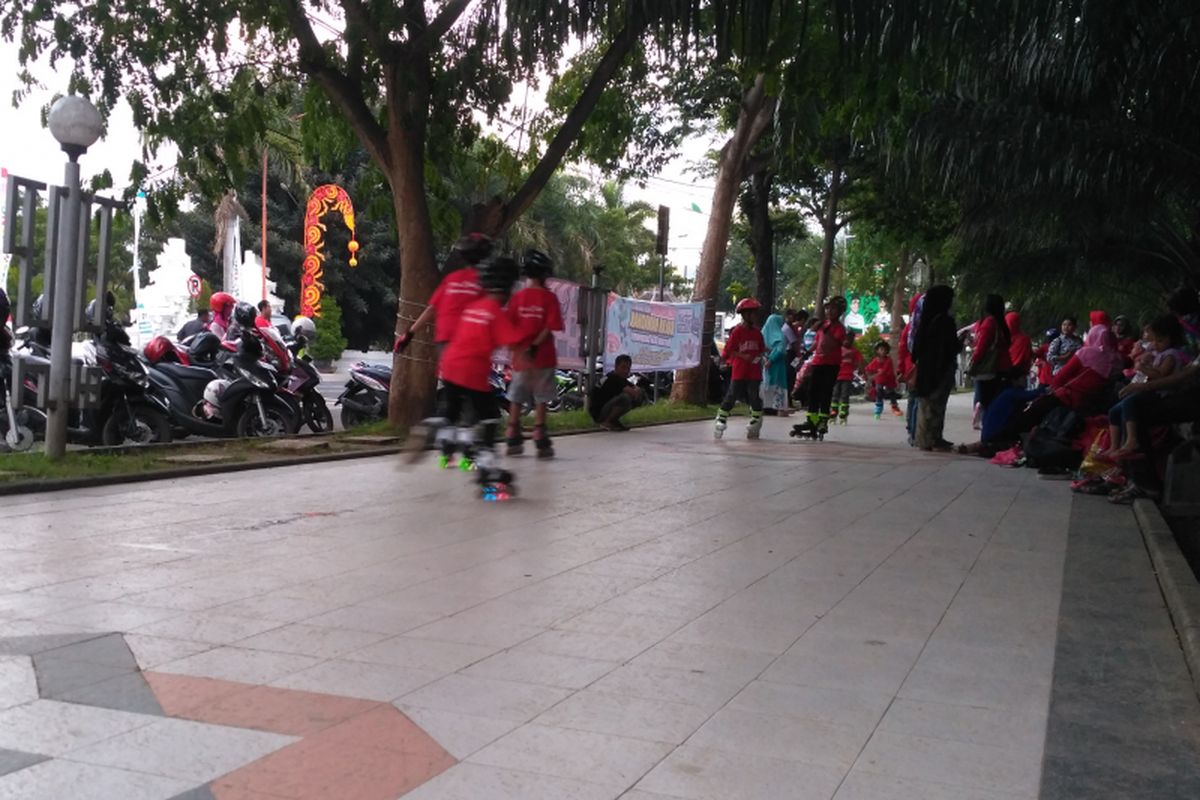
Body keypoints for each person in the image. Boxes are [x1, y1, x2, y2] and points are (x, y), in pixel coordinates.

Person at [417, 255, 524, 492]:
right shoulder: (496, 312)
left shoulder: (473, 307)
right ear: (508, 288)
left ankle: (435, 424)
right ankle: (487, 472)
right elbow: (515, 342)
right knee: (490, 418)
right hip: (472, 371)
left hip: (450, 365)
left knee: (451, 412)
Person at [1101, 315, 1188, 459]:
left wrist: (1144, 368)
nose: (1155, 344)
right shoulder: (1158, 353)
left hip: (1160, 393)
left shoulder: (1171, 355)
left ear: (1170, 339)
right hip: (1149, 389)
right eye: (1153, 340)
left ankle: (1132, 440)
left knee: (1130, 404)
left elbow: (1161, 375)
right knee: (1114, 411)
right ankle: (1114, 446)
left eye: (1159, 340)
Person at [505, 249, 564, 457]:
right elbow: (551, 325)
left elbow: (508, 326)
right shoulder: (549, 299)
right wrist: (536, 345)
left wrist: (517, 348)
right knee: (541, 398)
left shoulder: (517, 298)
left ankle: (512, 433)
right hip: (543, 356)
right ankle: (540, 435)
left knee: (517, 396)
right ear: (543, 274)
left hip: (521, 357)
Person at [394, 233, 491, 355]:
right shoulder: (484, 283)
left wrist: (409, 334)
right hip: (470, 340)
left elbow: (432, 309)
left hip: (445, 339)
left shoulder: (452, 279)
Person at [911, 285, 959, 451]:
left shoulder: (924, 321)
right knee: (936, 405)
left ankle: (926, 439)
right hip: (940, 369)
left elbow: (915, 349)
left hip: (926, 369)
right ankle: (931, 439)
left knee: (927, 405)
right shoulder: (945, 322)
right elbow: (952, 347)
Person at [794, 296, 847, 437]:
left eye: (833, 308)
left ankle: (823, 420)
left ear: (840, 311)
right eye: (827, 308)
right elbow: (817, 343)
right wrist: (805, 354)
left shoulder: (839, 328)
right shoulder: (823, 325)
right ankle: (811, 420)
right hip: (818, 363)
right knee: (813, 392)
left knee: (825, 393)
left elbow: (837, 342)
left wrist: (827, 331)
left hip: (831, 365)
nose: (829, 311)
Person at [714, 297, 766, 439]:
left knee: (754, 397)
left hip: (754, 372)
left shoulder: (757, 332)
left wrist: (763, 356)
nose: (755, 316)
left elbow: (762, 349)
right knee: (732, 395)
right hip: (739, 370)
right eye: (753, 313)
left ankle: (756, 421)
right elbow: (729, 349)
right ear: (745, 315)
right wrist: (741, 357)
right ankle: (721, 419)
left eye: (756, 313)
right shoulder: (737, 332)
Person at [968, 294, 1013, 416]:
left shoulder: (989, 322)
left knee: (988, 402)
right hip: (1003, 366)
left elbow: (982, 347)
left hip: (991, 368)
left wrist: (973, 363)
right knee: (996, 402)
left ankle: (988, 430)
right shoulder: (1001, 323)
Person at [590, 354, 640, 431]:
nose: (626, 371)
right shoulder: (613, 378)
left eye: (628, 368)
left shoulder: (618, 377)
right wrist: (635, 393)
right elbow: (632, 392)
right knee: (625, 398)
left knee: (633, 398)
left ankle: (612, 420)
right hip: (598, 412)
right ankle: (606, 421)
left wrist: (636, 391)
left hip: (604, 407)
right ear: (616, 367)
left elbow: (635, 388)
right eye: (623, 367)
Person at [898, 293, 923, 445]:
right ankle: (913, 432)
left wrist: (901, 370)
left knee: (913, 400)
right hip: (916, 368)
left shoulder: (910, 326)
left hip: (910, 368)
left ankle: (911, 430)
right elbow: (902, 349)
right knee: (916, 400)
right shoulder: (918, 325)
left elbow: (902, 350)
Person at [760, 313, 791, 415]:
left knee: (770, 384)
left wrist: (769, 359)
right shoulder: (780, 335)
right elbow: (780, 349)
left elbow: (779, 349)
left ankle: (768, 407)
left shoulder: (763, 333)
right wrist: (771, 359)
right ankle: (777, 407)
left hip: (769, 363)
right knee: (775, 384)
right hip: (773, 363)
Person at [832, 331, 863, 425]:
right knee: (835, 395)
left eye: (849, 340)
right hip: (836, 376)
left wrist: (860, 370)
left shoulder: (854, 351)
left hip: (847, 376)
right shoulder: (837, 350)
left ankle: (843, 415)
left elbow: (859, 362)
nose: (847, 342)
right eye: (845, 339)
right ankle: (833, 413)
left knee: (845, 395)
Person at [865, 340, 902, 419]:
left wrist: (873, 376)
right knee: (879, 392)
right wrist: (868, 376)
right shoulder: (875, 360)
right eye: (881, 349)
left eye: (885, 349)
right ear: (877, 350)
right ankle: (878, 409)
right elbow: (868, 368)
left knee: (891, 393)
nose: (883, 351)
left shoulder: (888, 360)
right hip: (880, 380)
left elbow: (884, 371)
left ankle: (894, 407)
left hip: (889, 380)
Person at [1006, 311, 1033, 386]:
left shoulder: (1003, 338)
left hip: (1006, 374)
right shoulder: (1025, 339)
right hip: (1020, 374)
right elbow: (1028, 356)